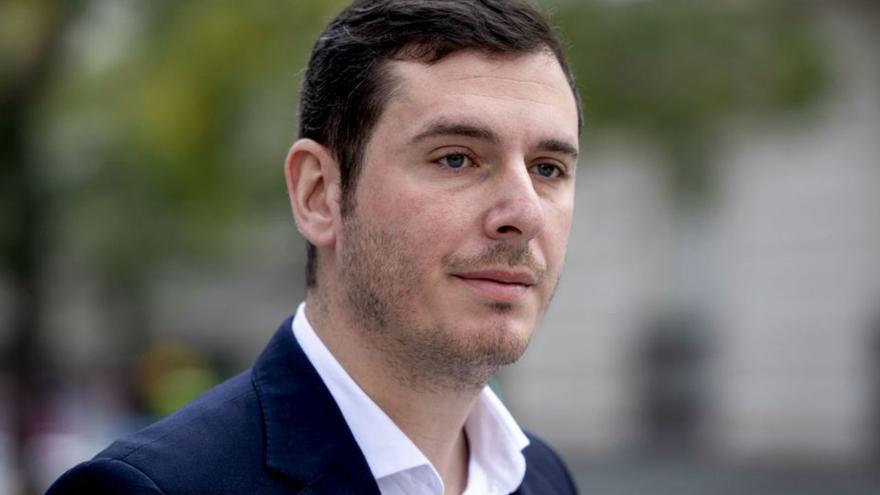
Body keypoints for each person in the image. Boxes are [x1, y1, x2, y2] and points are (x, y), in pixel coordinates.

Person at [46, 0, 582, 493]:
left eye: (548, 168)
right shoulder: (152, 488)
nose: (526, 212)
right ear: (319, 194)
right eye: (456, 158)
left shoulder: (545, 477)